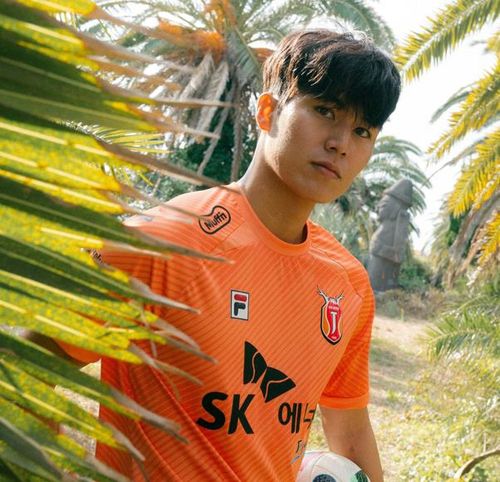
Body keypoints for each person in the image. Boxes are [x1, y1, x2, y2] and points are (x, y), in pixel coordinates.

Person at [30, 28, 400, 481]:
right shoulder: (160, 243)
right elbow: (28, 366)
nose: (341, 142)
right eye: (325, 111)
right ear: (268, 111)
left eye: (362, 131)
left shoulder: (347, 283)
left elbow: (351, 430)